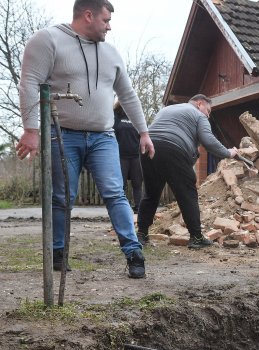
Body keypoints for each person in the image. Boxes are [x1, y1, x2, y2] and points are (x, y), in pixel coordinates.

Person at [15, 0, 153, 278]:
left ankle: (133, 252)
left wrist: (144, 131)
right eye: (105, 20)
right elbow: (29, 82)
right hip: (62, 134)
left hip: (103, 136)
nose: (109, 26)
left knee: (115, 193)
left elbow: (128, 95)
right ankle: (58, 251)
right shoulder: (48, 40)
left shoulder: (111, 53)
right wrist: (31, 129)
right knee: (62, 197)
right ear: (88, 15)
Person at [136, 94, 238, 249]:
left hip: (148, 147)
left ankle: (142, 235)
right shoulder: (198, 115)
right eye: (208, 111)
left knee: (150, 194)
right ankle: (196, 237)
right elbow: (208, 141)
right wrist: (228, 152)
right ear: (199, 104)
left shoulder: (167, 109)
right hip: (174, 149)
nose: (208, 115)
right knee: (187, 194)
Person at [113, 102, 143, 213]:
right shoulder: (115, 115)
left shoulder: (136, 116)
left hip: (136, 156)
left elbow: (143, 133)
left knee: (137, 184)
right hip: (120, 156)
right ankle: (123, 209)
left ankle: (139, 208)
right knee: (121, 185)